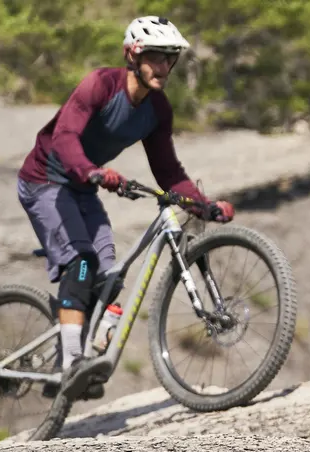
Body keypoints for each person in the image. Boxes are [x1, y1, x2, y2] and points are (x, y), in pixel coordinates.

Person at [16, 16, 234, 396]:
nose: (164, 67)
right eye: (156, 57)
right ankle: (71, 364)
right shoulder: (100, 85)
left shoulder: (158, 109)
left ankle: (68, 361)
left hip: (82, 190)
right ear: (133, 56)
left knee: (108, 275)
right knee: (82, 262)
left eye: (170, 59)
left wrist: (204, 206)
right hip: (44, 181)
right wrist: (94, 171)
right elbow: (65, 137)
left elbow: (168, 171)